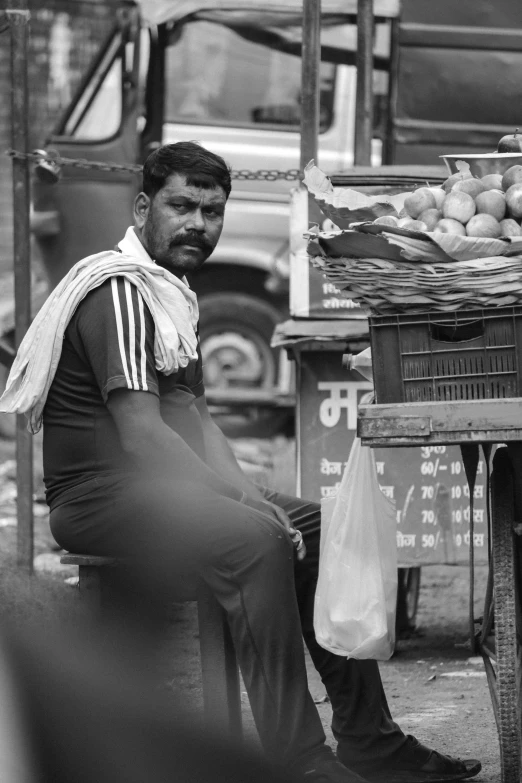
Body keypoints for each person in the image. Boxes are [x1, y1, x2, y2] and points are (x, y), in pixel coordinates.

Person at [11, 142, 480, 783]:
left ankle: (370, 739)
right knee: (255, 539)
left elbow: (197, 420)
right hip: (99, 495)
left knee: (309, 526)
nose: (198, 224)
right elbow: (145, 438)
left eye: (212, 211)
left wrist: (247, 492)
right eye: (182, 206)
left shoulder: (169, 292)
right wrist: (240, 505)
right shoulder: (120, 291)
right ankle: (301, 759)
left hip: (157, 485)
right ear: (145, 207)